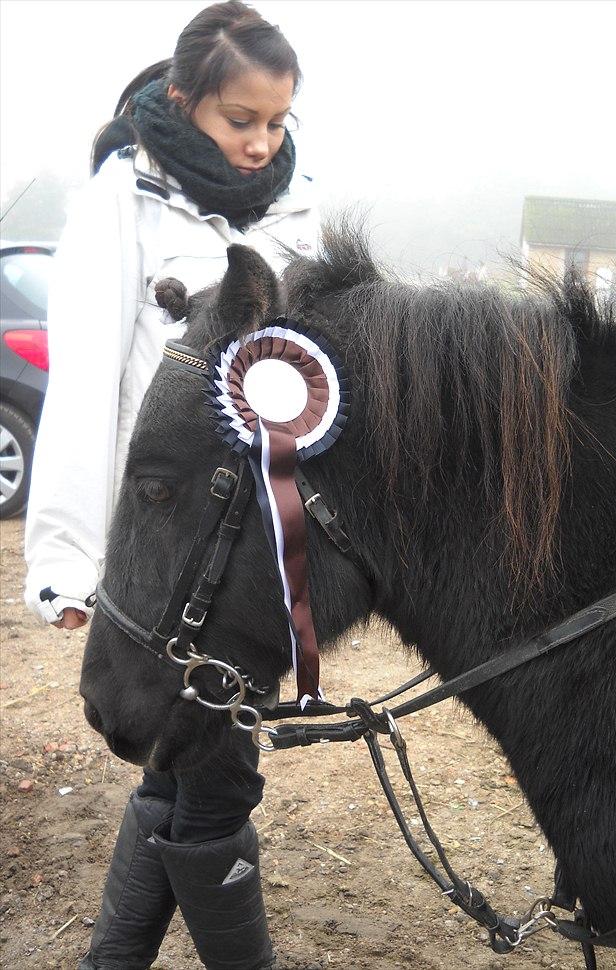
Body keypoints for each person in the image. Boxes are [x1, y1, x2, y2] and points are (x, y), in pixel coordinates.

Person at [23, 3, 320, 968]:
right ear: (187, 100)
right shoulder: (123, 201)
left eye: (275, 122)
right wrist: (67, 563)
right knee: (217, 768)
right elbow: (84, 381)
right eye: (241, 120)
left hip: (257, 534)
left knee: (183, 757)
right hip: (167, 537)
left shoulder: (298, 206)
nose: (259, 143)